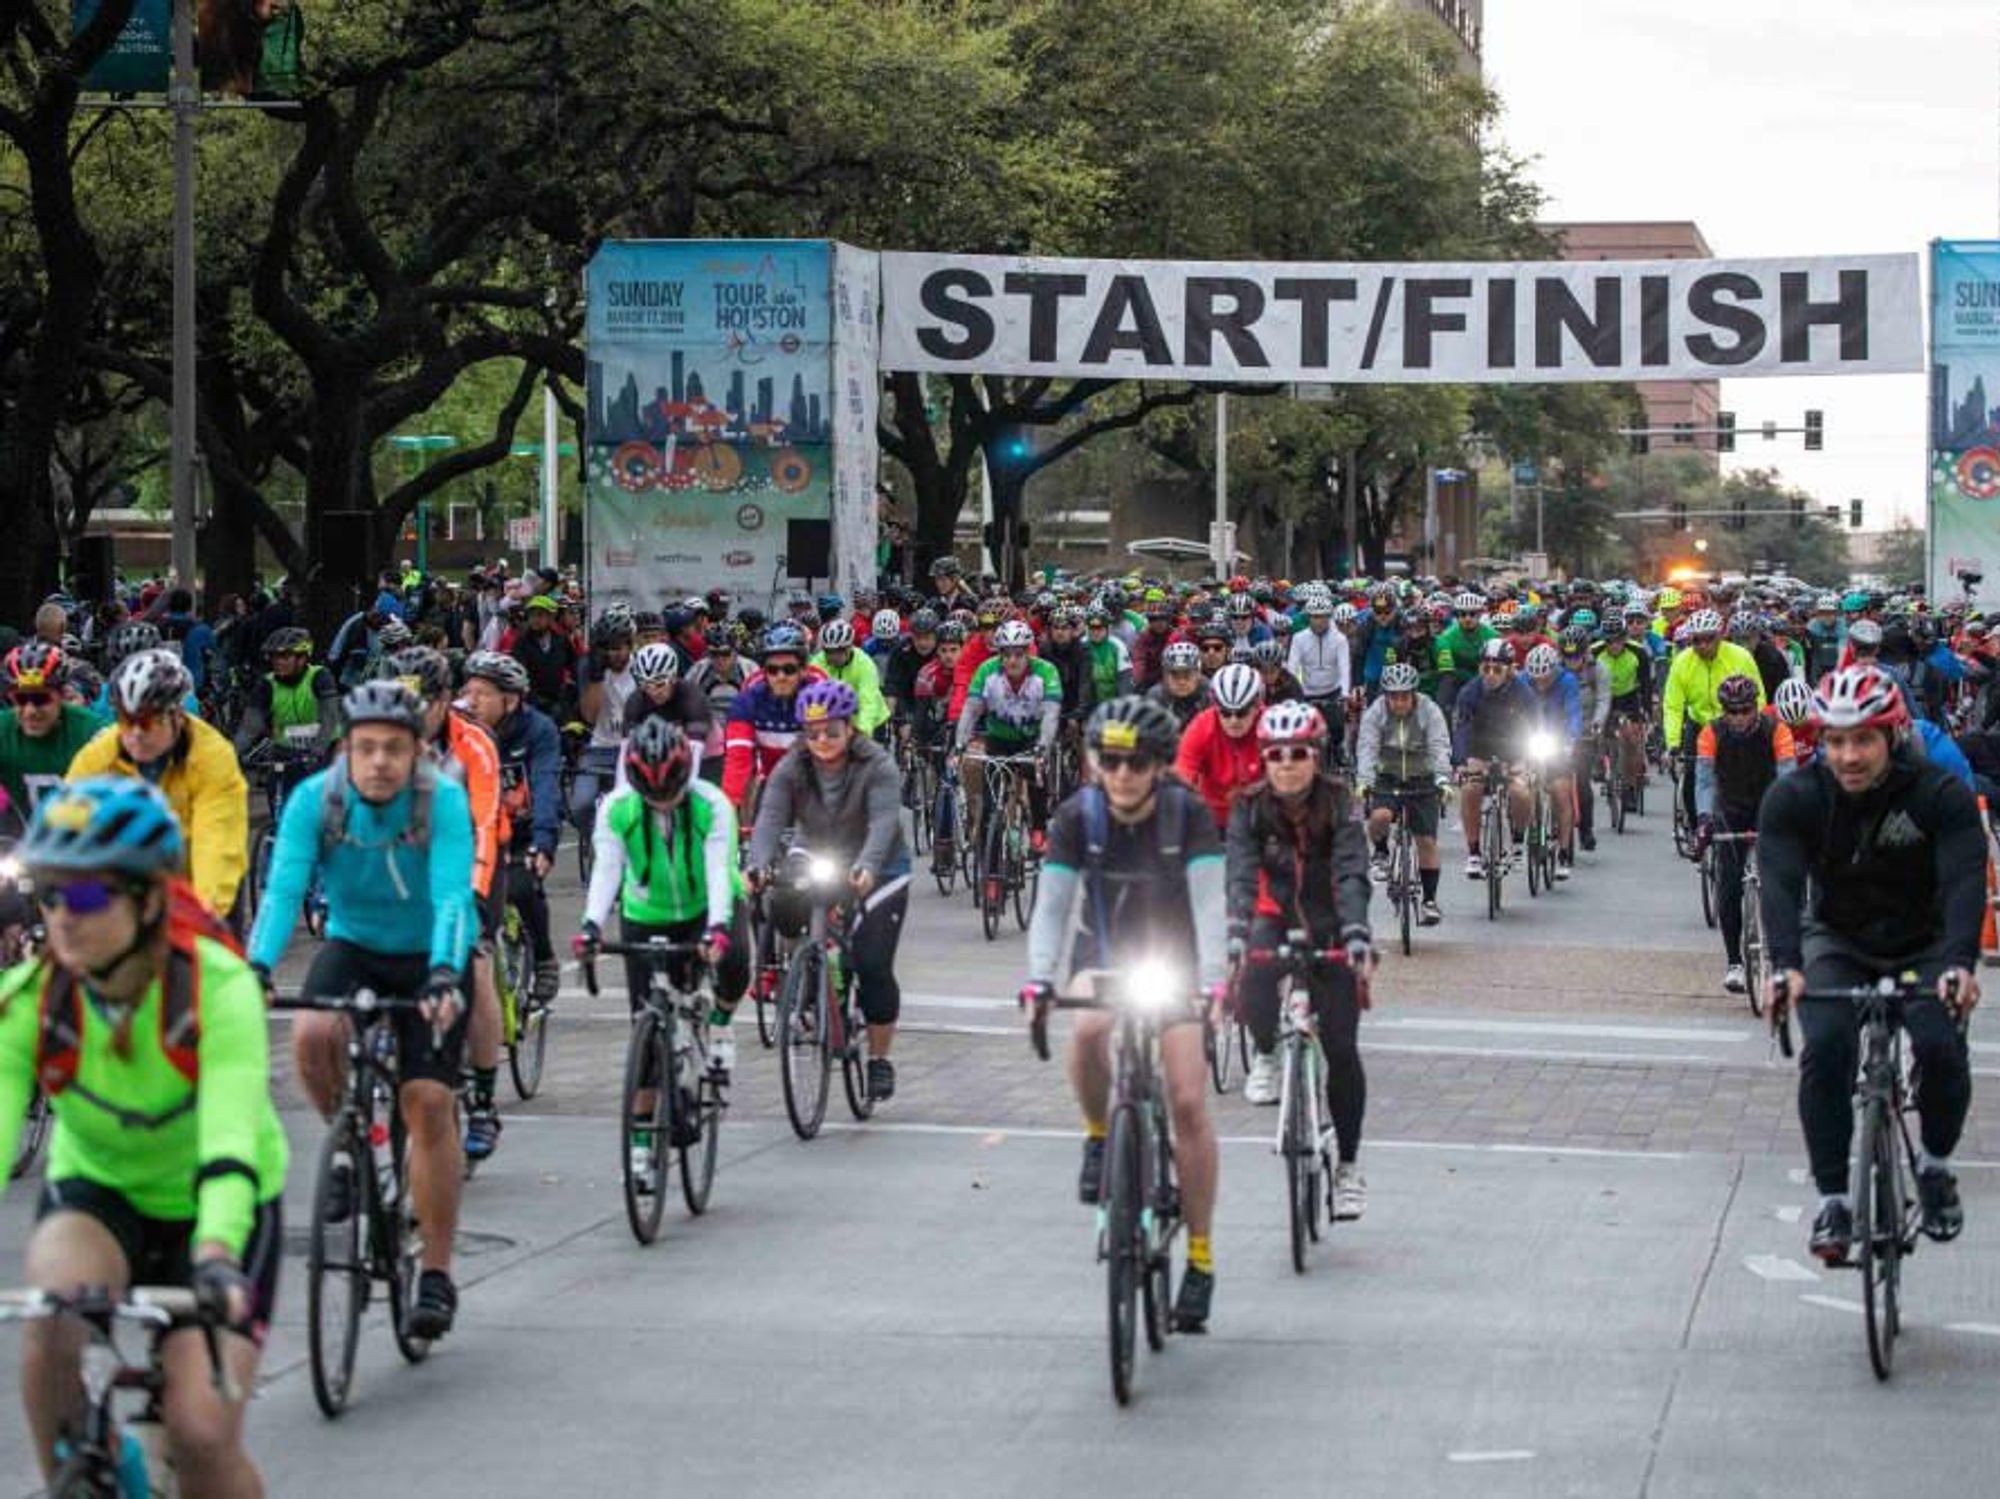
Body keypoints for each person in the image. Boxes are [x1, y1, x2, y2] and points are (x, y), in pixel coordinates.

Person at [0, 778, 286, 1496]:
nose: (64, 914)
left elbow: (229, 1136)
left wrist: (217, 1252)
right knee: (48, 1330)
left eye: (90, 895)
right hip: (100, 1189)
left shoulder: (216, 989)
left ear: (150, 899)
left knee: (200, 1431)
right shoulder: (32, 997)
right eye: (50, 892)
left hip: (220, 1205)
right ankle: (76, 1477)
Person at [251, 681, 476, 1339]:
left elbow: (453, 899)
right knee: (312, 1031)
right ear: (344, 749)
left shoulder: (444, 801)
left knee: (429, 1102)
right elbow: (283, 889)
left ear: (417, 752)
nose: (379, 761)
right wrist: (258, 966)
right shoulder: (313, 801)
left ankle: (435, 1271)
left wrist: (442, 974)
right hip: (353, 943)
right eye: (365, 748)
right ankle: (349, 1139)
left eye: (394, 749)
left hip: (430, 954)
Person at [1759, 665, 1983, 1264]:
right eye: (1835, 741)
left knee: (1940, 1046)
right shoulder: (1796, 796)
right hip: (1839, 940)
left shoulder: (1937, 793)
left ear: (1892, 736)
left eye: (1863, 740)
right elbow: (1779, 884)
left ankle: (1934, 1168)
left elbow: (1965, 880)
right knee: (1826, 1047)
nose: (1849, 755)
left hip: (1923, 942)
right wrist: (1784, 965)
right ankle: (1834, 1198)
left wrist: (1961, 964)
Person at [1021, 696, 1227, 1332]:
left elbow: (1211, 906)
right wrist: (1037, 979)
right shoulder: (1076, 817)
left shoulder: (1187, 814)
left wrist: (1214, 987)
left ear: (1161, 766)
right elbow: (1053, 906)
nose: (1123, 774)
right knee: (1086, 1029)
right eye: (1110, 761)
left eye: (1137, 762)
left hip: (1178, 956)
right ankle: (1098, 1134)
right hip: (1105, 946)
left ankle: (1199, 1257)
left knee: (1189, 1101)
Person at [1226, 701, 1375, 1216]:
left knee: (1341, 1047)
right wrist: (1237, 932)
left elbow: (1352, 870)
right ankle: (1266, 1053)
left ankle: (1349, 1165)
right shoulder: (1250, 806)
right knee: (1251, 983)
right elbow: (1242, 874)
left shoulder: (1339, 803)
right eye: (1275, 755)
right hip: (1272, 916)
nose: (1286, 764)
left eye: (1297, 754)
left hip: (1332, 923)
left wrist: (1356, 932)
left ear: (1315, 756)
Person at [746, 680, 910, 1101]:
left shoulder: (877, 764)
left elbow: (884, 821)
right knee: (779, 898)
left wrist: (869, 866)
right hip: (817, 849)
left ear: (851, 727)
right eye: (812, 732)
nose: (822, 741)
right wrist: (758, 863)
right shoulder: (793, 765)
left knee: (873, 962)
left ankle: (878, 1059)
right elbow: (770, 817)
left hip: (880, 864)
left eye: (831, 732)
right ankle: (808, 969)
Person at [578, 719, 750, 1114]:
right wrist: (590, 925)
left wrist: (718, 928)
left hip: (707, 905)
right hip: (647, 911)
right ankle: (640, 1147)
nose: (662, 802)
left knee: (736, 963)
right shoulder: (617, 809)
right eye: (651, 793)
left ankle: (721, 1024)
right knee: (647, 1030)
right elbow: (606, 870)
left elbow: (718, 870)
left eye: (670, 792)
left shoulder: (712, 804)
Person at [68, 649, 248, 920]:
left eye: (148, 721)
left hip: (195, 876)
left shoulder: (213, 756)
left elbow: (217, 841)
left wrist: (203, 915)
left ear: (177, 716)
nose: (136, 733)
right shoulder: (100, 754)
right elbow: (66, 822)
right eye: (126, 720)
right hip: (128, 878)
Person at [460, 651, 562, 1005]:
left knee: (521, 884)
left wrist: (545, 843)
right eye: (468, 691)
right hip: (476, 832)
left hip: (524, 832)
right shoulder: (462, 730)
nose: (471, 701)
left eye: (482, 694)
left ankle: (546, 958)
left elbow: (547, 784)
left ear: (511, 699)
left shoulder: (539, 731)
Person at [1694, 673, 1795, 993]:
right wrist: (1705, 818)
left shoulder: (1777, 729)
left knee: (1780, 883)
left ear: (1756, 707)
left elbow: (1787, 775)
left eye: (1744, 710)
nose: (1738, 718)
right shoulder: (1711, 732)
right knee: (1728, 884)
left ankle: (1783, 957)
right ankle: (1734, 962)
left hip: (1769, 804)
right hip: (1730, 808)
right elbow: (1705, 781)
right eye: (1731, 711)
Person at [1355, 661, 1454, 925]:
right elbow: (1367, 746)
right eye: (1393, 697)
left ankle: (1430, 901)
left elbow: (1439, 745)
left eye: (1404, 697)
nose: (1398, 703)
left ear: (1413, 694)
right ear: (1385, 696)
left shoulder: (1429, 710)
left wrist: (1443, 778)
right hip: (1387, 776)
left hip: (1422, 778)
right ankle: (1380, 853)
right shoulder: (1376, 712)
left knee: (1426, 842)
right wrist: (1364, 781)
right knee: (1380, 817)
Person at [955, 618, 1061, 851]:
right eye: (1007, 654)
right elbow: (971, 709)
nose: (1012, 660)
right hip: (998, 740)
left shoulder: (1046, 672)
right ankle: (987, 853)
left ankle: (1039, 829)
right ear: (1000, 654)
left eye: (1019, 654)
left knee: (1037, 774)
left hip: (1031, 740)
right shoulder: (987, 671)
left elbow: (1051, 715)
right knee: (990, 803)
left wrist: (1043, 747)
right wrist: (960, 744)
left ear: (1028, 653)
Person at [1663, 608, 1764, 833]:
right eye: (1697, 640)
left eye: (1709, 639)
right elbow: (1673, 706)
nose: (1703, 646)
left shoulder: (1740, 657)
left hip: (1733, 724)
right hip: (1698, 724)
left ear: (1720, 636)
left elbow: (1759, 698)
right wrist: (1672, 743)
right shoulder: (1682, 663)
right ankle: (1695, 827)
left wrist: (1757, 731)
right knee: (1691, 775)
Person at [1451, 638, 1535, 877]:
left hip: (1514, 746)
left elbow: (1536, 725)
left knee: (1520, 791)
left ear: (1510, 669)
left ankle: (1519, 841)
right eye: (1484, 668)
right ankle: (1474, 852)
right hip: (1481, 746)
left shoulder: (1523, 691)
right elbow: (1462, 729)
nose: (1490, 674)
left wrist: (1531, 759)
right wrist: (1460, 761)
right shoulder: (1470, 691)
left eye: (1497, 669)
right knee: (1470, 788)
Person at [0, 642, 105, 830]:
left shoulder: (92, 730)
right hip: (16, 844)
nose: (30, 710)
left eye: (41, 699)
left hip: (80, 844)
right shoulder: (3, 728)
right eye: (21, 699)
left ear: (61, 695)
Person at [1173, 661, 1265, 833]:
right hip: (1213, 820)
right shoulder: (1201, 726)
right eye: (1225, 712)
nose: (1233, 720)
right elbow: (1182, 775)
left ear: (1257, 707)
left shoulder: (1270, 725)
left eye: (1242, 712)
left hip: (1261, 820)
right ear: (1215, 707)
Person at [1559, 626, 1611, 852]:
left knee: (1581, 782)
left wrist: (1598, 722)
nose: (1572, 662)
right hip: (1557, 731)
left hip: (1586, 731)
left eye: (1576, 657)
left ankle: (1586, 829)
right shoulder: (1554, 670)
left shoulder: (1598, 669)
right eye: (1567, 657)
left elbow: (1603, 699)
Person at [809, 618, 891, 737]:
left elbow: (868, 702)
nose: (833, 656)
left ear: (849, 648)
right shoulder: (817, 663)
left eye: (839, 651)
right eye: (829, 651)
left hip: (872, 720)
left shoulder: (865, 664)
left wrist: (862, 732)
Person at [1286, 593, 1351, 721]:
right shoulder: (1298, 638)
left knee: (1337, 733)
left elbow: (1344, 667)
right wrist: (1292, 693)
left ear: (1329, 617)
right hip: (1307, 694)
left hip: (1333, 693)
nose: (1319, 621)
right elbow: (1292, 667)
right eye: (1315, 617)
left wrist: (1344, 693)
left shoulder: (1340, 639)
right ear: (1309, 617)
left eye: (1323, 616)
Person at [1146, 639, 1207, 731]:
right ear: (1165, 676)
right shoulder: (1154, 698)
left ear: (1198, 674)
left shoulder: (1210, 695)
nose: (1181, 682)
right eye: (1174, 675)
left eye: (1187, 675)